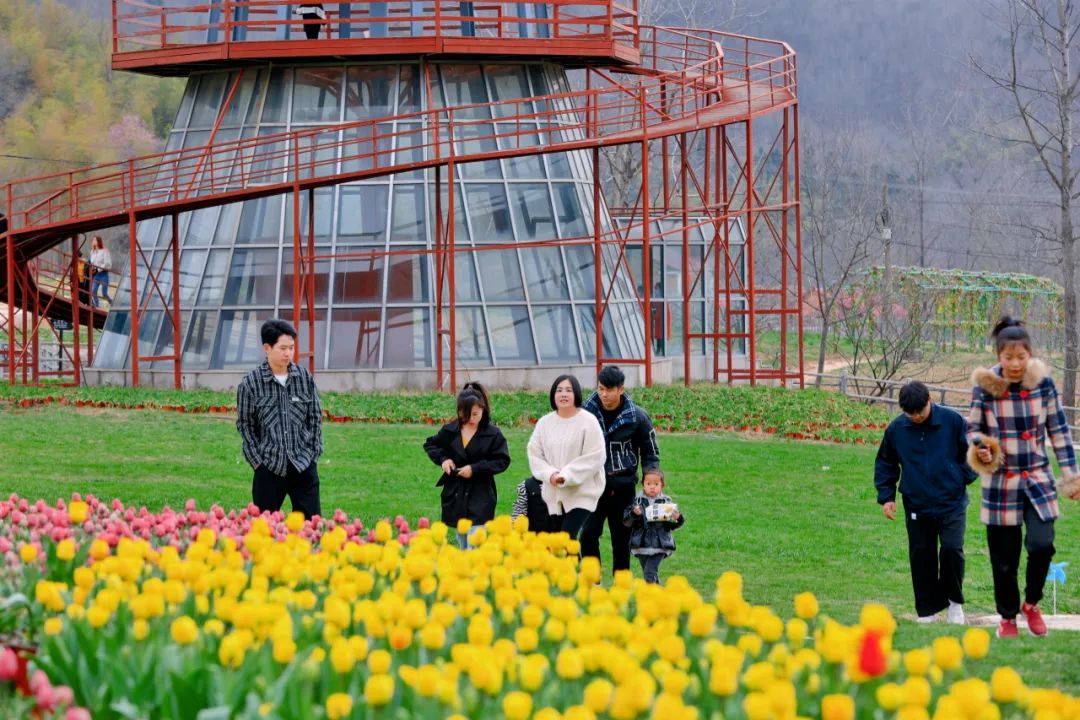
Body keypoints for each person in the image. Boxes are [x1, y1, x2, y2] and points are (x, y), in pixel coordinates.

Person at [969, 316, 1080, 637]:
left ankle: (1031, 604)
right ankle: (1007, 618)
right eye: (1008, 357)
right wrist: (982, 449)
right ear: (998, 356)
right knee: (1004, 560)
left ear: (1030, 354)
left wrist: (1071, 476)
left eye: (1021, 356)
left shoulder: (1043, 384)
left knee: (1042, 545)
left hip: (1037, 480)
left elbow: (1058, 432)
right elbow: (973, 430)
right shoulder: (985, 387)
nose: (1016, 364)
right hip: (1000, 482)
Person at [874, 381, 976, 624]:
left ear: (929, 399)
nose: (917, 417)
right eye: (911, 413)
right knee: (921, 555)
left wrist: (961, 477)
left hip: (951, 502)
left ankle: (954, 604)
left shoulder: (952, 421)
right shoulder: (897, 429)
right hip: (917, 503)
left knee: (952, 550)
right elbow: (886, 462)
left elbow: (974, 452)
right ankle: (927, 610)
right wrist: (886, 497)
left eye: (920, 411)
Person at [236, 319, 324, 519]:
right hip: (269, 467)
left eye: (291, 348)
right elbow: (245, 425)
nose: (288, 353)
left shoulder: (304, 377)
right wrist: (257, 462)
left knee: (311, 528)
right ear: (267, 348)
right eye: (282, 348)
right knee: (264, 531)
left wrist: (313, 453)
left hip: (303, 464)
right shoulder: (250, 384)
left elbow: (315, 417)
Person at [580, 365, 660, 575]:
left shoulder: (637, 417)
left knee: (621, 539)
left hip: (623, 488)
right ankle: (592, 581)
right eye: (600, 389)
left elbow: (650, 449)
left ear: (621, 389)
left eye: (609, 389)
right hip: (592, 486)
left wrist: (651, 473)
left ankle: (620, 586)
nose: (604, 394)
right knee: (587, 534)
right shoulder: (585, 414)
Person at [424, 387, 511, 547]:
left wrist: (475, 469)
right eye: (466, 414)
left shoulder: (493, 434)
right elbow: (431, 444)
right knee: (462, 540)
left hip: (481, 493)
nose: (471, 419)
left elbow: (502, 460)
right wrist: (444, 460)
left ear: (483, 410)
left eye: (475, 414)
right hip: (456, 493)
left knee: (475, 542)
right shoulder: (450, 430)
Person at [526, 374, 606, 543]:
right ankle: (574, 570)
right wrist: (551, 474)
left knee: (566, 538)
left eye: (568, 390)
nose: (563, 394)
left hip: (582, 492)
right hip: (554, 493)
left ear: (576, 394)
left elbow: (595, 456)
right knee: (559, 543)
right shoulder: (544, 423)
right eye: (559, 390)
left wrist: (567, 475)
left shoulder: (588, 421)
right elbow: (534, 454)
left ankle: (581, 570)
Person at [622, 467, 684, 584]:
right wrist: (634, 514)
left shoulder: (666, 503)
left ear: (662, 486)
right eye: (648, 483)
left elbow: (675, 525)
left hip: (660, 546)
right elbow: (627, 522)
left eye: (656, 484)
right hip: (641, 545)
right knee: (651, 577)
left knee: (649, 574)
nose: (652, 486)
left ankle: (651, 598)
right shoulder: (636, 502)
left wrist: (678, 518)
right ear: (643, 484)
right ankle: (662, 598)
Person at [89, 236, 112, 307]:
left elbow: (108, 264)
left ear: (99, 241)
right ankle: (97, 306)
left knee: (104, 294)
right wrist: (92, 268)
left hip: (104, 274)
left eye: (95, 240)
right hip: (96, 275)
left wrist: (98, 269)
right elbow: (92, 262)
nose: (93, 242)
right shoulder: (92, 252)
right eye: (93, 240)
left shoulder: (104, 250)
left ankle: (112, 303)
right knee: (93, 291)